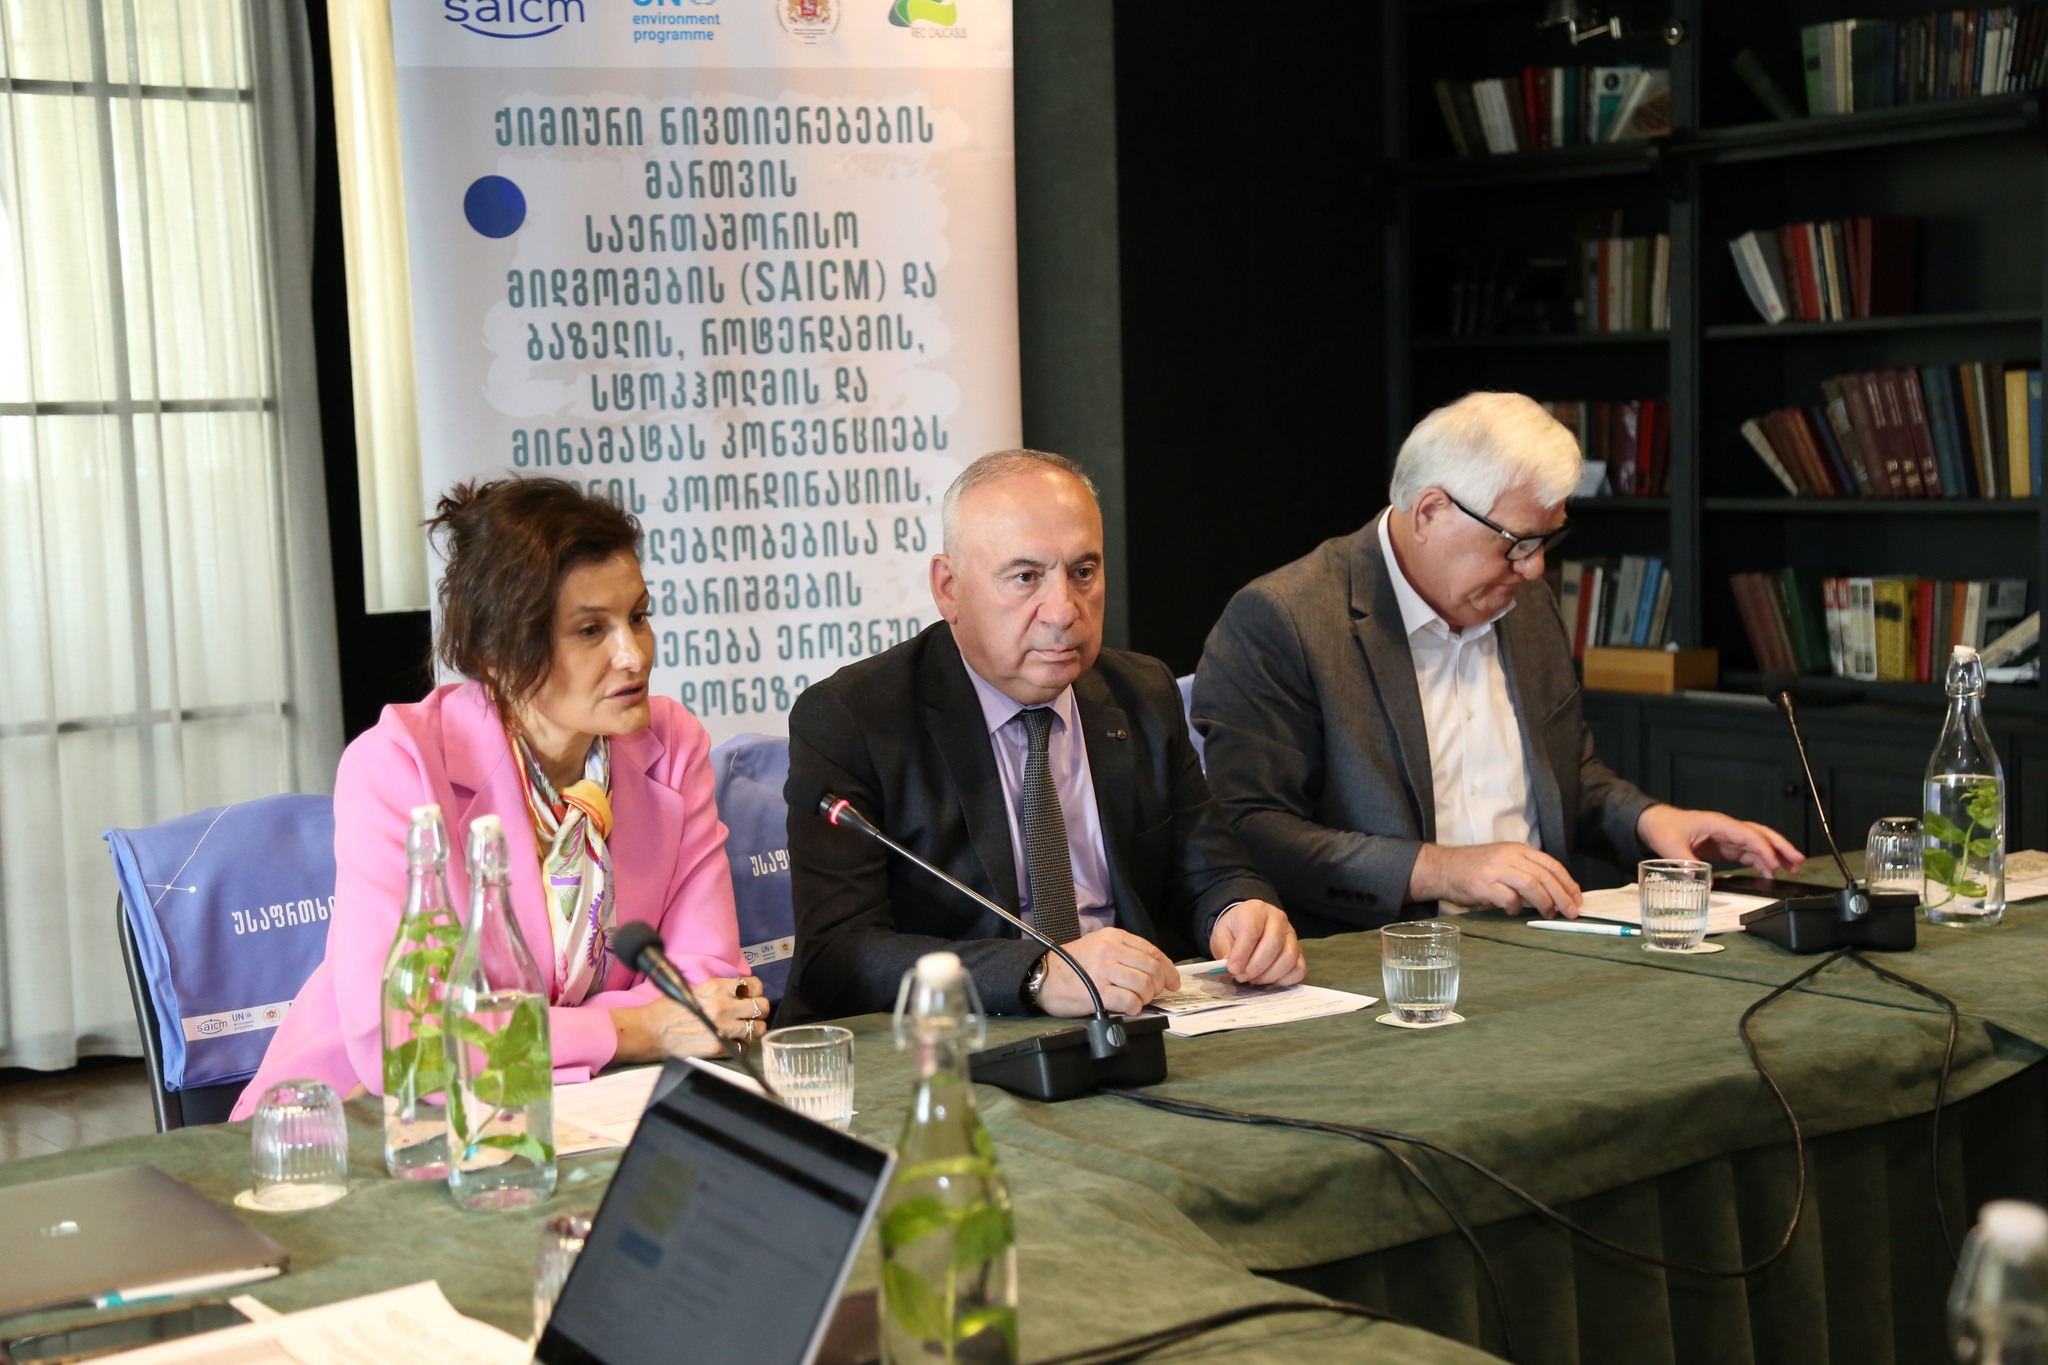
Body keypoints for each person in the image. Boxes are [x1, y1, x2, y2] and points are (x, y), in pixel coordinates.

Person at [232, 478, 760, 1120]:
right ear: (499, 652)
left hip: (597, 1110)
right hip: (364, 1122)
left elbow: (710, 989)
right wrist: (636, 1029)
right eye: (590, 630)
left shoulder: (670, 744)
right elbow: (412, 1044)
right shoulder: (399, 766)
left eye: (638, 617)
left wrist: (522, 1036)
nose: (633, 655)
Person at [1193, 392, 1803, 936]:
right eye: (1516, 542)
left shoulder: (1523, 603)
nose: (1534, 569)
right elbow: (1250, 828)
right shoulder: (1285, 619)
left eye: (1546, 541)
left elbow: (1567, 777)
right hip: (1386, 960)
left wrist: (1651, 821)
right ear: (1430, 511)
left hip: (1544, 940)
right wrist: (1441, 869)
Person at [782, 450, 1306, 1021]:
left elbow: (1210, 869)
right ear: (949, 588)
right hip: (958, 1038)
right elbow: (840, 954)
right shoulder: (854, 719)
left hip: (1134, 1023)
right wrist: (1035, 975)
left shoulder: (1141, 693)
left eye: (1083, 573)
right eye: (1025, 577)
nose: (1063, 611)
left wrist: (1238, 913)